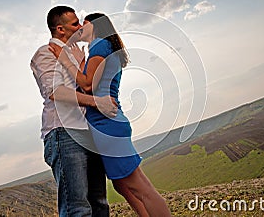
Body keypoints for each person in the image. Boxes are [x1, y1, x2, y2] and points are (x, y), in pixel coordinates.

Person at [49, 13, 172, 217]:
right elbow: (93, 81)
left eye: (84, 23)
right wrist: (80, 62)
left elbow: (88, 85)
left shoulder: (99, 45)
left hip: (107, 123)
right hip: (106, 123)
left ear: (95, 26)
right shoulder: (99, 48)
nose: (80, 27)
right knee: (122, 186)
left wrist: (64, 59)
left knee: (140, 186)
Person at [30, 6, 117, 217]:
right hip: (64, 131)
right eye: (75, 24)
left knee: (99, 203)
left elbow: (86, 83)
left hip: (88, 131)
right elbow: (55, 92)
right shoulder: (45, 53)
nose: (80, 27)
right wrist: (97, 102)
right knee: (77, 207)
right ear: (60, 29)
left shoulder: (76, 53)